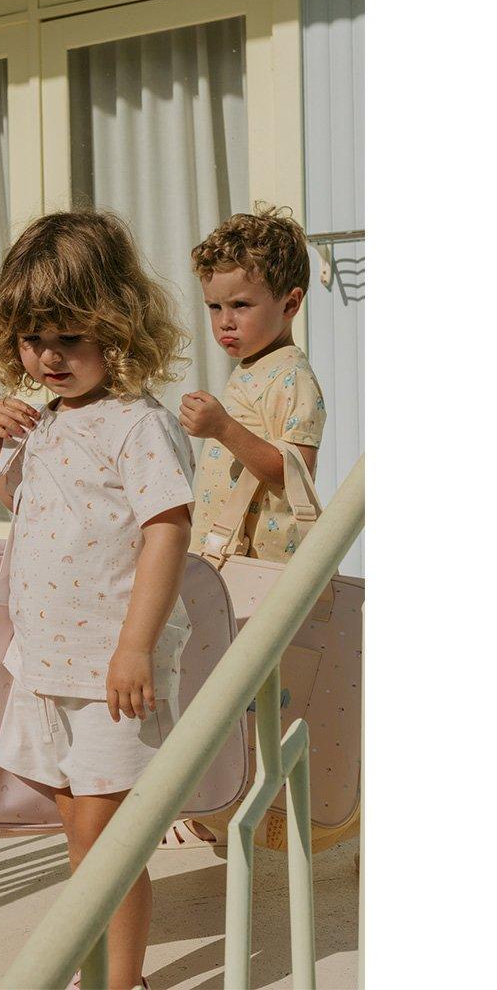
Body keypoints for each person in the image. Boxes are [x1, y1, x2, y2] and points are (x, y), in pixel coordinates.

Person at [0, 210, 194, 990]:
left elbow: (167, 529)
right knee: (79, 826)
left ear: (118, 325)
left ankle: (118, 981)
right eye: (33, 339)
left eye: (69, 337)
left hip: (109, 672)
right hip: (47, 664)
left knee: (107, 842)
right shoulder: (46, 422)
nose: (49, 357)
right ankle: (101, 963)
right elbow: (27, 508)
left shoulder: (137, 425)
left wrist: (135, 646)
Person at [159, 204, 327, 851]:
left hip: (264, 566)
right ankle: (215, 802)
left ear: (290, 303)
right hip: (230, 559)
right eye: (214, 307)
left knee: (247, 693)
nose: (225, 322)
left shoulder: (292, 377)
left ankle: (234, 805)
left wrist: (223, 428)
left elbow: (296, 474)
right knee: (215, 682)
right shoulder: (253, 369)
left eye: (241, 305)